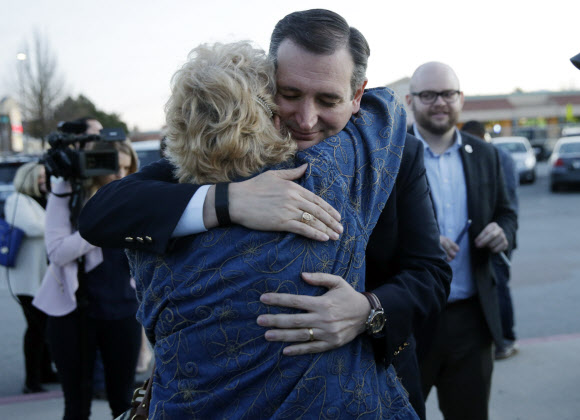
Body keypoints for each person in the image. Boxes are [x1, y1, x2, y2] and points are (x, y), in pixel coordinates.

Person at [79, 9, 451, 417]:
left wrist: (368, 311)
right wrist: (228, 200)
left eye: (328, 100)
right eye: (290, 94)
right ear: (266, 85)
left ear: (358, 95)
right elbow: (102, 214)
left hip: (369, 389)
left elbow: (430, 274)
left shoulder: (396, 156)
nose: (306, 120)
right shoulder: (226, 153)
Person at [405, 62, 518, 420]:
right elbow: (373, 231)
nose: (440, 102)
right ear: (410, 101)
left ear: (461, 98)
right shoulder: (391, 155)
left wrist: (504, 232)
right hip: (412, 321)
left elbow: (506, 212)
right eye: (429, 95)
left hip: (472, 322)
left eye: (448, 94)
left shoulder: (485, 154)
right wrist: (423, 242)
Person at [33, 139, 142, 420]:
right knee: (77, 405)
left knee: (125, 401)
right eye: (113, 167)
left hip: (123, 309)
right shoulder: (69, 192)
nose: (120, 175)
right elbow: (57, 252)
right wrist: (100, 222)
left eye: (126, 168)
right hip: (74, 312)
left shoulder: (135, 196)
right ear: (94, 165)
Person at [462, 119, 520, 359]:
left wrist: (502, 232)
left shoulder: (497, 157)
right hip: (477, 239)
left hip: (497, 238)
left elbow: (507, 206)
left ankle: (505, 339)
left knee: (499, 287)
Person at [1, 162, 58, 393]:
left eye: (46, 175)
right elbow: (34, 227)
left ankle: (45, 372)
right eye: (40, 176)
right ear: (29, 178)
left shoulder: (45, 199)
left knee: (44, 327)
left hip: (42, 277)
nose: (45, 180)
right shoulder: (18, 200)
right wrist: (57, 225)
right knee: (36, 328)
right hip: (26, 281)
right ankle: (31, 381)